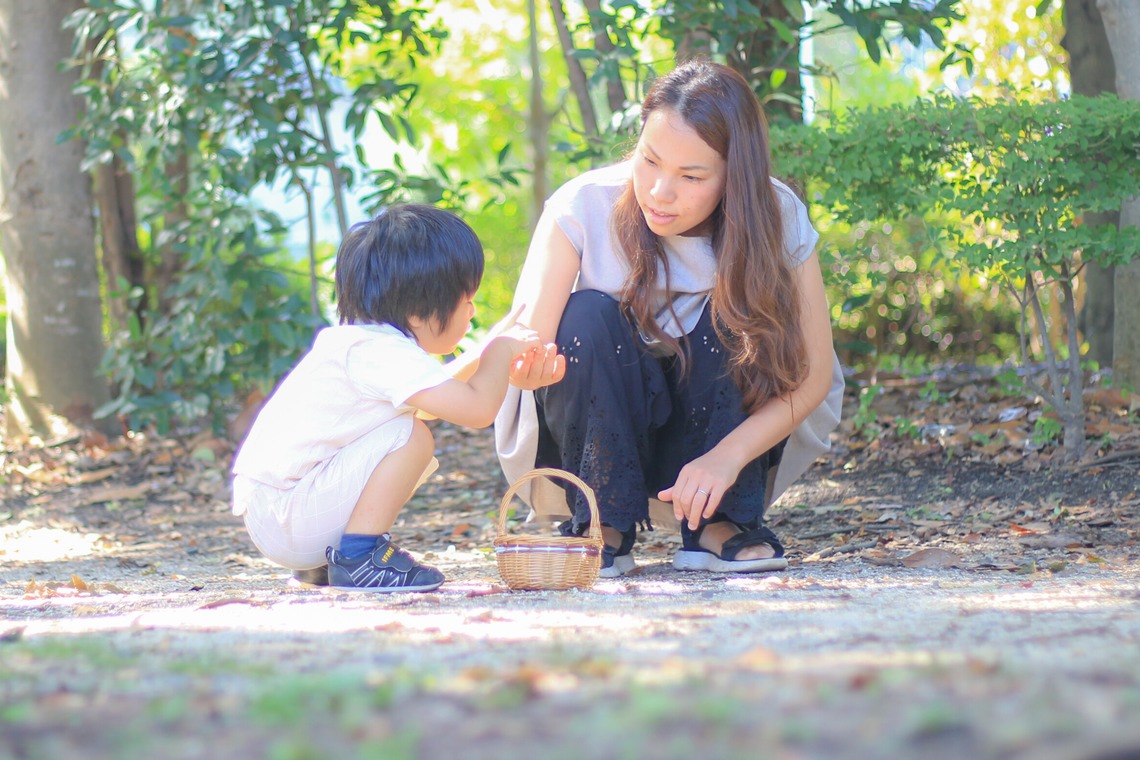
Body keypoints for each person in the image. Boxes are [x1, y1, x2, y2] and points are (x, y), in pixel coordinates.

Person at [495, 58, 844, 577]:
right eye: (650, 160)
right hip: (607, 424)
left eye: (691, 175)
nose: (660, 191)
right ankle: (602, 518)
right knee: (586, 315)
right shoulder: (582, 207)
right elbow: (529, 342)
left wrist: (727, 456)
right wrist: (527, 369)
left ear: (734, 176)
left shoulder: (777, 215)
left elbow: (813, 377)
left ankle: (717, 522)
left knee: (741, 312)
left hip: (720, 437)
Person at [232, 204, 561, 592]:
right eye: (465, 299)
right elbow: (476, 410)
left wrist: (489, 348)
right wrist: (499, 353)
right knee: (410, 436)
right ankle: (359, 557)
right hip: (289, 516)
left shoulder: (367, 343)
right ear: (420, 312)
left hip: (282, 514)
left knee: (407, 425)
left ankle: (332, 559)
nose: (471, 311)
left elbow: (434, 395)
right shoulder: (380, 352)